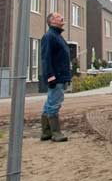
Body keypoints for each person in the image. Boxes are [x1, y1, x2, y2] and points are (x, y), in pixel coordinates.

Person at [40, 12, 71, 142]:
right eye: (58, 16)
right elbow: (46, 58)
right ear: (52, 21)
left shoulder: (57, 35)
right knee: (54, 103)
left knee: (50, 103)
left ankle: (46, 132)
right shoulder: (49, 36)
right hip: (56, 77)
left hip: (60, 75)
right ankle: (56, 133)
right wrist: (50, 76)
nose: (62, 17)